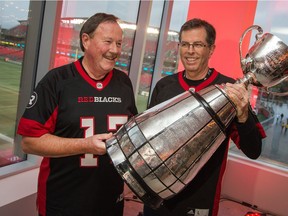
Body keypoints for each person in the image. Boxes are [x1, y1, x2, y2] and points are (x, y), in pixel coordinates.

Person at [17, 13, 138, 216]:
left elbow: (131, 133)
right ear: (86, 40)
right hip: (64, 202)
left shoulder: (124, 83)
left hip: (110, 200)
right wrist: (84, 145)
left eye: (119, 43)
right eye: (108, 42)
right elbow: (29, 142)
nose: (115, 50)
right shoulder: (57, 81)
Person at [143, 18, 266, 216]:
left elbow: (254, 150)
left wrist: (243, 115)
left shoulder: (230, 89)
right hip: (158, 196)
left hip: (199, 200)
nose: (190, 51)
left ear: (211, 49)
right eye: (185, 44)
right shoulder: (164, 86)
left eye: (198, 44)